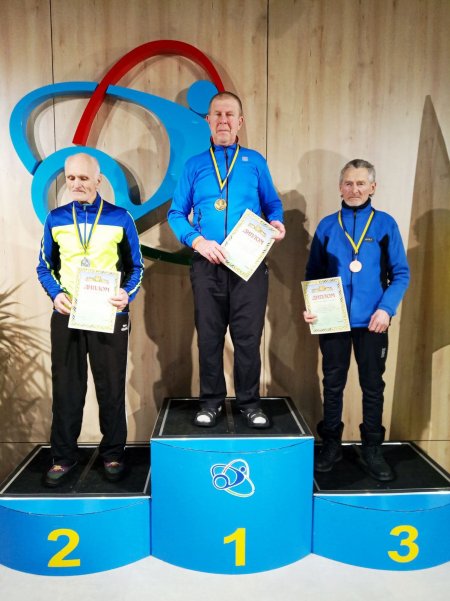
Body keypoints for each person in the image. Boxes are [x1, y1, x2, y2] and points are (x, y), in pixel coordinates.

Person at [168, 91, 285, 428]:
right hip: (207, 265)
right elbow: (176, 214)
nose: (223, 120)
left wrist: (277, 222)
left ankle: (249, 403)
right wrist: (198, 241)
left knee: (248, 338)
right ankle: (211, 402)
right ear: (208, 120)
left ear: (240, 121)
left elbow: (272, 204)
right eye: (217, 114)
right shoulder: (194, 165)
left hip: (249, 265)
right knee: (209, 338)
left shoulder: (255, 161)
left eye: (229, 114)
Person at [37, 153, 144, 486]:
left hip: (108, 314)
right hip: (67, 314)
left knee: (110, 387)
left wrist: (126, 294)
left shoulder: (120, 217)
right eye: (71, 178)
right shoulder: (55, 219)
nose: (76, 184)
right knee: (66, 389)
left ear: (98, 180)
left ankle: (113, 454)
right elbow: (44, 266)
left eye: (83, 178)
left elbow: (136, 267)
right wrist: (56, 294)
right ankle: (63, 457)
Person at [304, 159, 409, 481]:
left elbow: (401, 274)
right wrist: (311, 306)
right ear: (340, 187)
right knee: (332, 384)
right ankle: (331, 444)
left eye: (361, 183)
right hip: (333, 321)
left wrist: (386, 309)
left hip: (373, 322)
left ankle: (372, 448)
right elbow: (313, 274)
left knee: (373, 386)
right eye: (349, 183)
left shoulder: (385, 224)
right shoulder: (327, 226)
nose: (354, 189)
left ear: (372, 187)